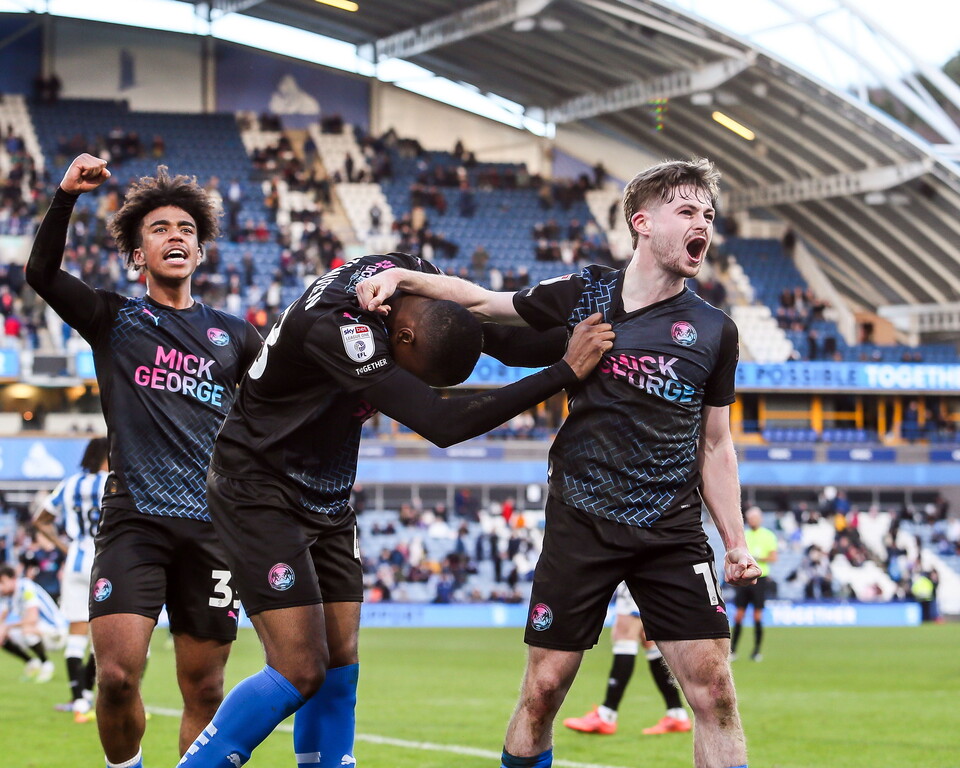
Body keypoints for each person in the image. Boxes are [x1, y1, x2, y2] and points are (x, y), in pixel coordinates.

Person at [358, 157, 761, 768]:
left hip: (671, 531)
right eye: (687, 211)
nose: (702, 222)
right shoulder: (587, 294)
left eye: (708, 214)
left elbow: (715, 444)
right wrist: (404, 281)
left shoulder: (715, 331)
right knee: (544, 692)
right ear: (642, 222)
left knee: (716, 693)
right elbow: (487, 303)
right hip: (582, 521)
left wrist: (734, 539)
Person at [176, 252, 612, 767]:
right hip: (258, 489)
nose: (408, 386)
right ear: (400, 339)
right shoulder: (336, 327)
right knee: (299, 669)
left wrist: (606, 333)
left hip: (329, 496)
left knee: (340, 668)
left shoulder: (411, 279)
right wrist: (563, 372)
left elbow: (496, 335)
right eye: (414, 373)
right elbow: (441, 423)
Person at [25, 154, 263, 768]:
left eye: (185, 229)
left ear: (201, 250)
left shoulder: (237, 337)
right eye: (158, 229)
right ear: (138, 255)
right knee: (116, 679)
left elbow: (275, 414)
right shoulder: (115, 319)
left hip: (214, 531)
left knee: (206, 689)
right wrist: (65, 197)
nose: (175, 236)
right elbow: (42, 273)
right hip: (136, 520)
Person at [32, 436, 109, 722]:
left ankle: (78, 700)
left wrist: (66, 546)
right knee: (103, 634)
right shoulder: (111, 482)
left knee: (75, 632)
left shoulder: (69, 483)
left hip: (75, 561)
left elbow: (40, 519)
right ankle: (90, 696)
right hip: (105, 562)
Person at [563, 583, 691, 736]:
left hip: (637, 569)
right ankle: (676, 713)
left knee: (624, 634)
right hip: (653, 571)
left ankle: (607, 715)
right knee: (648, 638)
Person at [0, 563, 67, 683]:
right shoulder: (8, 596)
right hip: (40, 631)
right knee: (4, 633)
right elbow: (2, 618)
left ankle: (47, 665)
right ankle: (32, 663)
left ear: (13, 579)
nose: (0, 587)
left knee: (27, 629)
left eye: (2, 582)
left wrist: (6, 626)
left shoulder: (26, 587)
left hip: (56, 630)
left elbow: (32, 619)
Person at [730, 506, 779, 662]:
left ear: (760, 519)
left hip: (760, 578)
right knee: (739, 615)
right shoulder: (744, 535)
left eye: (754, 519)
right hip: (744, 578)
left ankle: (756, 650)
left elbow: (773, 557)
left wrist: (758, 558)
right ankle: (733, 650)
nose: (752, 521)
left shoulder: (768, 536)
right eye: (750, 519)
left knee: (757, 615)